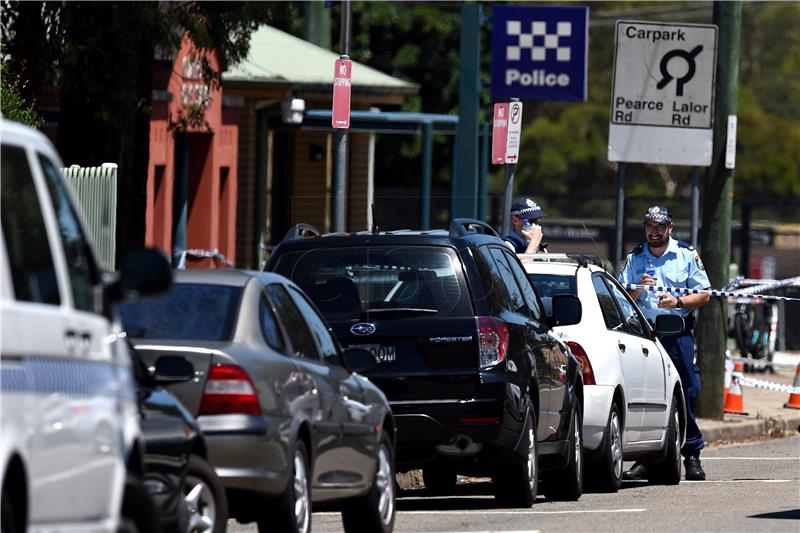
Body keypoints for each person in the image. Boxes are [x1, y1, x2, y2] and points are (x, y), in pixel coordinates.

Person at [618, 205, 711, 481]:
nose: (654, 231)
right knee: (646, 395)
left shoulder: (685, 254)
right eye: (649, 226)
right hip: (644, 335)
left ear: (670, 228)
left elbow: (705, 294)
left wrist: (678, 301)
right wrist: (636, 288)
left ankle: (692, 454)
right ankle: (646, 458)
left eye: (659, 226)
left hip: (677, 334)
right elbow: (621, 298)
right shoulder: (634, 258)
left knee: (687, 393)